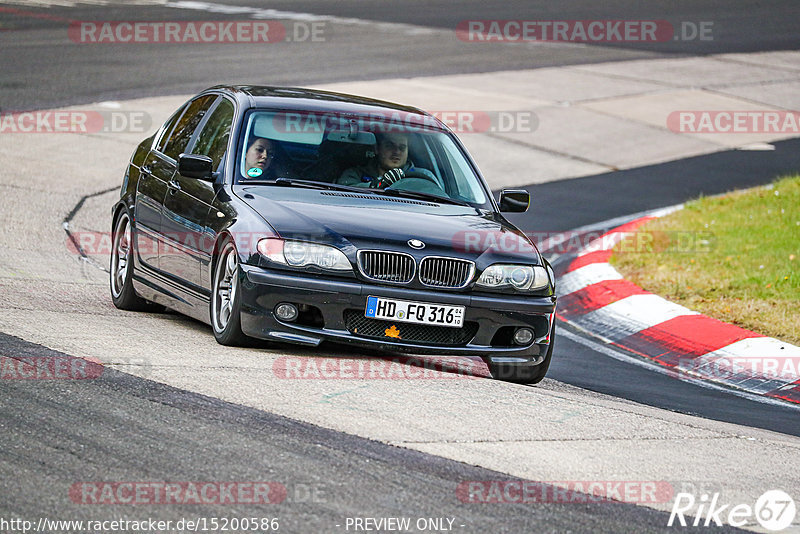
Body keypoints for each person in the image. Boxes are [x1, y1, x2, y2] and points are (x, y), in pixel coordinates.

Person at [337, 132, 435, 188]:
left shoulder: (424, 177)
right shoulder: (355, 174)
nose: (396, 152)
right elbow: (343, 194)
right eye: (390, 146)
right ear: (377, 149)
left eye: (402, 148)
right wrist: (377, 185)